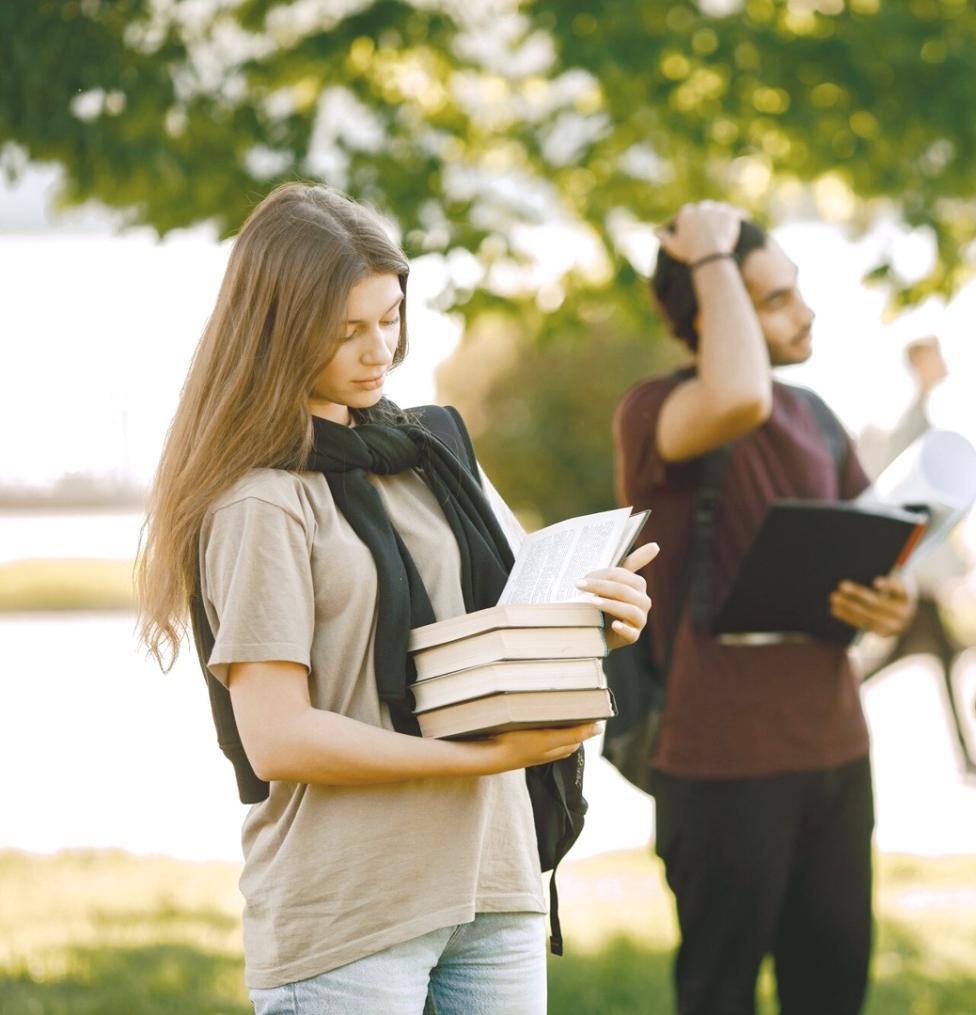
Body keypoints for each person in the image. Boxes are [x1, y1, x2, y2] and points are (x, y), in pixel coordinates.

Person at [135, 182, 656, 1013]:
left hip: (494, 883)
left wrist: (604, 621)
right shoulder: (260, 499)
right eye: (345, 331)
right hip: (351, 911)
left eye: (389, 318)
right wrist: (479, 758)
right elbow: (278, 737)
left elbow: (511, 627)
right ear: (277, 331)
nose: (378, 349)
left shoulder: (432, 450)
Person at [613, 200, 914, 1015]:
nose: (805, 311)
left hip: (834, 753)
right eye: (773, 299)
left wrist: (890, 599)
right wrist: (711, 251)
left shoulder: (814, 415)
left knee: (831, 994)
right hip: (719, 765)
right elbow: (738, 394)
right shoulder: (657, 412)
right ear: (716, 308)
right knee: (719, 997)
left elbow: (885, 540)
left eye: (795, 291)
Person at [856, 335, 976, 785]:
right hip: (914, 575)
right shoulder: (910, 424)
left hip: (919, 575)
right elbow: (912, 503)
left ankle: (967, 755)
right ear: (919, 362)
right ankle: (967, 756)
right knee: (932, 657)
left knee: (934, 657)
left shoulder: (920, 419)